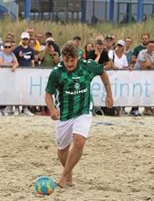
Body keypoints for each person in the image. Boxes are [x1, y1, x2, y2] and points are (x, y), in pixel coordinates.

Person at [45, 42, 114, 188]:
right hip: (64, 114)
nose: (69, 64)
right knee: (62, 149)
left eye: (72, 60)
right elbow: (48, 94)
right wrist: (52, 110)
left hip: (84, 111)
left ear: (78, 58)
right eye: (66, 60)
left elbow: (103, 72)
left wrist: (109, 95)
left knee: (79, 141)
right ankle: (68, 175)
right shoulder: (57, 72)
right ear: (62, 58)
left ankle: (63, 177)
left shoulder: (88, 66)